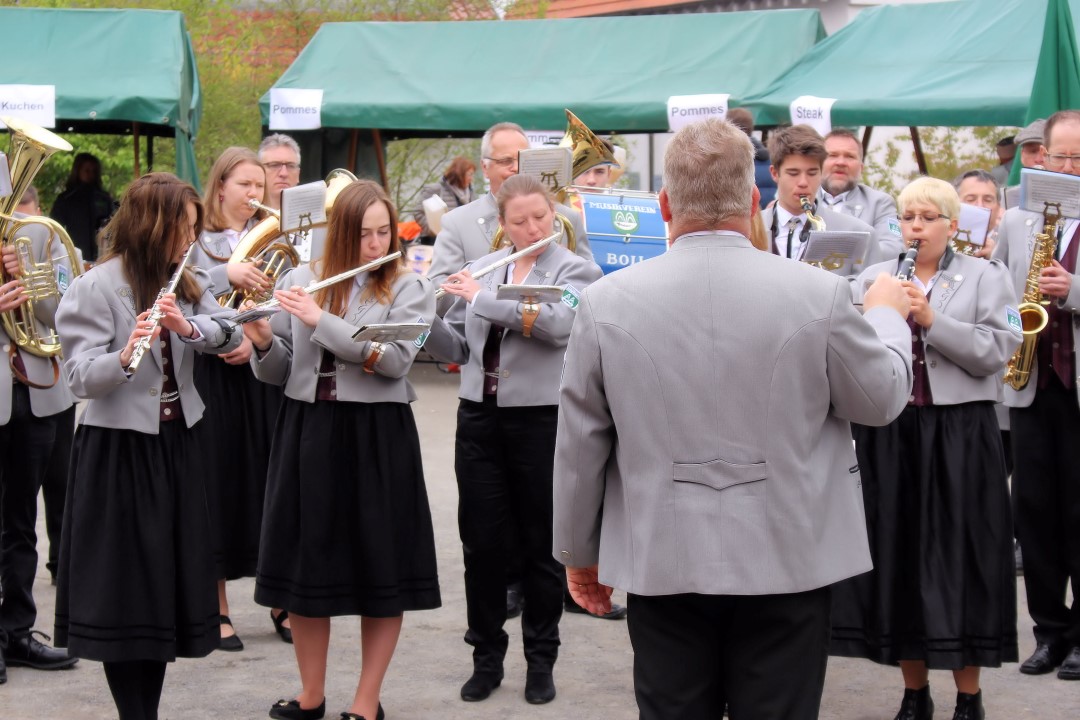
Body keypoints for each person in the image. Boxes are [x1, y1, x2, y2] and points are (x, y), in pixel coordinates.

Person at [552, 118, 914, 720]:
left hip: (662, 557)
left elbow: (579, 443)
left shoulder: (604, 301)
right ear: (752, 201)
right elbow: (880, 401)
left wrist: (577, 550)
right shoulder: (820, 294)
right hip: (788, 555)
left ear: (664, 206)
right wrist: (888, 318)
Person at [244, 180, 440, 720]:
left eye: (383, 233)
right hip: (307, 427)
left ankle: (366, 700)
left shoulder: (409, 287)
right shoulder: (301, 279)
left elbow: (395, 361)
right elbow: (285, 370)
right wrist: (263, 340)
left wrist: (319, 320)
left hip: (377, 433)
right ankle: (311, 695)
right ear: (338, 234)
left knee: (382, 567)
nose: (376, 245)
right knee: (306, 567)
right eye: (363, 235)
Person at [53, 172, 242, 719]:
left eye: (195, 228)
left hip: (177, 446)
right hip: (118, 453)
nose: (191, 240)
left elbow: (231, 331)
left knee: (162, 588)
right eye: (184, 229)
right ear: (153, 225)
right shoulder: (96, 286)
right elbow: (78, 377)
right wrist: (124, 354)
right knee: (126, 595)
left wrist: (189, 328)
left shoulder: (189, 280)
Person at [832, 177, 1022, 720]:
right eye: (908, 218)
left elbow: (999, 348)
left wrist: (933, 320)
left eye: (927, 218)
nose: (915, 228)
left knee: (963, 557)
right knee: (898, 555)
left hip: (961, 432)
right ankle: (914, 692)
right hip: (891, 430)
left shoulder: (987, 275)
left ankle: (969, 696)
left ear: (952, 225)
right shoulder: (875, 277)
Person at [425, 174, 603, 706]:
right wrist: (421, 318)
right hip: (479, 417)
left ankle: (540, 660)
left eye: (541, 217)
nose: (533, 228)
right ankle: (485, 657)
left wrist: (481, 298)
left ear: (555, 216)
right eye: (520, 221)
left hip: (540, 419)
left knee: (540, 545)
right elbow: (458, 346)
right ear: (502, 225)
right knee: (481, 544)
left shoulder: (576, 269)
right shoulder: (485, 268)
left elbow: (557, 324)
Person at [992, 109, 1080, 681]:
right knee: (1036, 513)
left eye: (1079, 158)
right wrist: (1013, 323)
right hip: (1029, 385)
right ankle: (1050, 632)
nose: (1068, 168)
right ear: (1042, 155)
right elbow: (998, 294)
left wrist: (1073, 290)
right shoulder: (1019, 220)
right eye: (1061, 156)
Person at [189, 147, 283, 650]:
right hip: (211, 369)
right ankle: (217, 605)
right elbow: (179, 290)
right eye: (244, 184)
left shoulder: (273, 235)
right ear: (220, 185)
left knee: (269, 481)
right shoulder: (196, 239)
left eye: (259, 186)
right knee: (217, 483)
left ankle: (280, 599)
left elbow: (289, 296)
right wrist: (228, 274)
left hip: (262, 367)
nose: (253, 194)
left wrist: (256, 339)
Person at [0, 192, 80, 685]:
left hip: (34, 391)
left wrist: (31, 280)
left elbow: (64, 314)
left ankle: (16, 631)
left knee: (22, 523)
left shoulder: (37, 236)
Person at [427, 122, 592, 305]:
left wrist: (565, 261)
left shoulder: (568, 218)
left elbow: (589, 289)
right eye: (506, 161)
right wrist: (480, 296)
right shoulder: (457, 222)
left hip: (550, 321)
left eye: (523, 159)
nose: (516, 167)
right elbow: (437, 292)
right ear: (485, 167)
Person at [761, 124, 880, 275]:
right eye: (793, 173)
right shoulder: (750, 229)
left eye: (812, 173)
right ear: (774, 173)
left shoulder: (859, 232)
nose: (803, 182)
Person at [818, 128, 904, 259]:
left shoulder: (880, 203)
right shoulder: (800, 198)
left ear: (861, 168)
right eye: (832, 155)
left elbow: (894, 249)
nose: (841, 162)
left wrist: (842, 250)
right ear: (817, 163)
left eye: (849, 156)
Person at [258, 133, 318, 266]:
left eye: (290, 166)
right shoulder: (247, 220)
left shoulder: (317, 221)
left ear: (298, 174)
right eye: (274, 165)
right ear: (259, 171)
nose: (283, 173)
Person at [50, 152, 114, 263]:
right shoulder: (66, 199)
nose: (91, 174)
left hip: (101, 254)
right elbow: (55, 228)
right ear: (78, 171)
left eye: (94, 171)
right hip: (75, 255)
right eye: (87, 171)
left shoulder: (104, 198)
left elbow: (112, 224)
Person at [415, 156, 477, 243]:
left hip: (461, 242)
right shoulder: (436, 189)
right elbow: (418, 213)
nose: (472, 178)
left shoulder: (471, 193)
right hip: (435, 242)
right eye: (470, 174)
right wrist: (435, 230)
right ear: (460, 174)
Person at [727, 107, 776, 208]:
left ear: (729, 127)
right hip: (770, 213)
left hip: (751, 214)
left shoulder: (730, 163)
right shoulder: (772, 160)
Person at [1003, 119, 1047, 209]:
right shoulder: (1005, 199)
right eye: (1033, 151)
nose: (1039, 159)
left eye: (1045, 153)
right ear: (1022, 155)